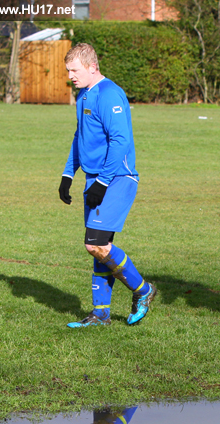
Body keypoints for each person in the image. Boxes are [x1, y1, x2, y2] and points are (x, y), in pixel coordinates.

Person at [58, 43, 156, 328]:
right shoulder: (83, 95)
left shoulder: (110, 94)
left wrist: (101, 181)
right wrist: (68, 175)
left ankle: (143, 290)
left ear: (92, 67)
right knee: (100, 244)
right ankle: (100, 314)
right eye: (68, 71)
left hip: (117, 179)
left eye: (74, 70)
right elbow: (81, 136)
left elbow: (120, 141)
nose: (71, 76)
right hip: (94, 179)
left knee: (95, 244)